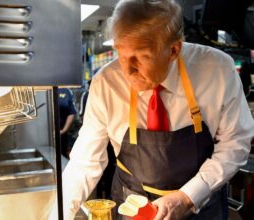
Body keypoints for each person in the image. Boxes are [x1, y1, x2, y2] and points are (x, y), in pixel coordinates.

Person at [57, 0, 254, 219]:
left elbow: (235, 143)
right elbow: (86, 161)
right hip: (133, 209)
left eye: (142, 57)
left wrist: (187, 197)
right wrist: (60, 213)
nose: (127, 69)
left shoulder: (216, 70)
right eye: (121, 54)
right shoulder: (106, 83)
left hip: (201, 206)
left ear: (173, 50)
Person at [58, 88, 77, 158]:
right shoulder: (42, 88)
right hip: (43, 134)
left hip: (62, 135)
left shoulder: (66, 91)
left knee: (62, 156)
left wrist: (63, 130)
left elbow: (71, 112)